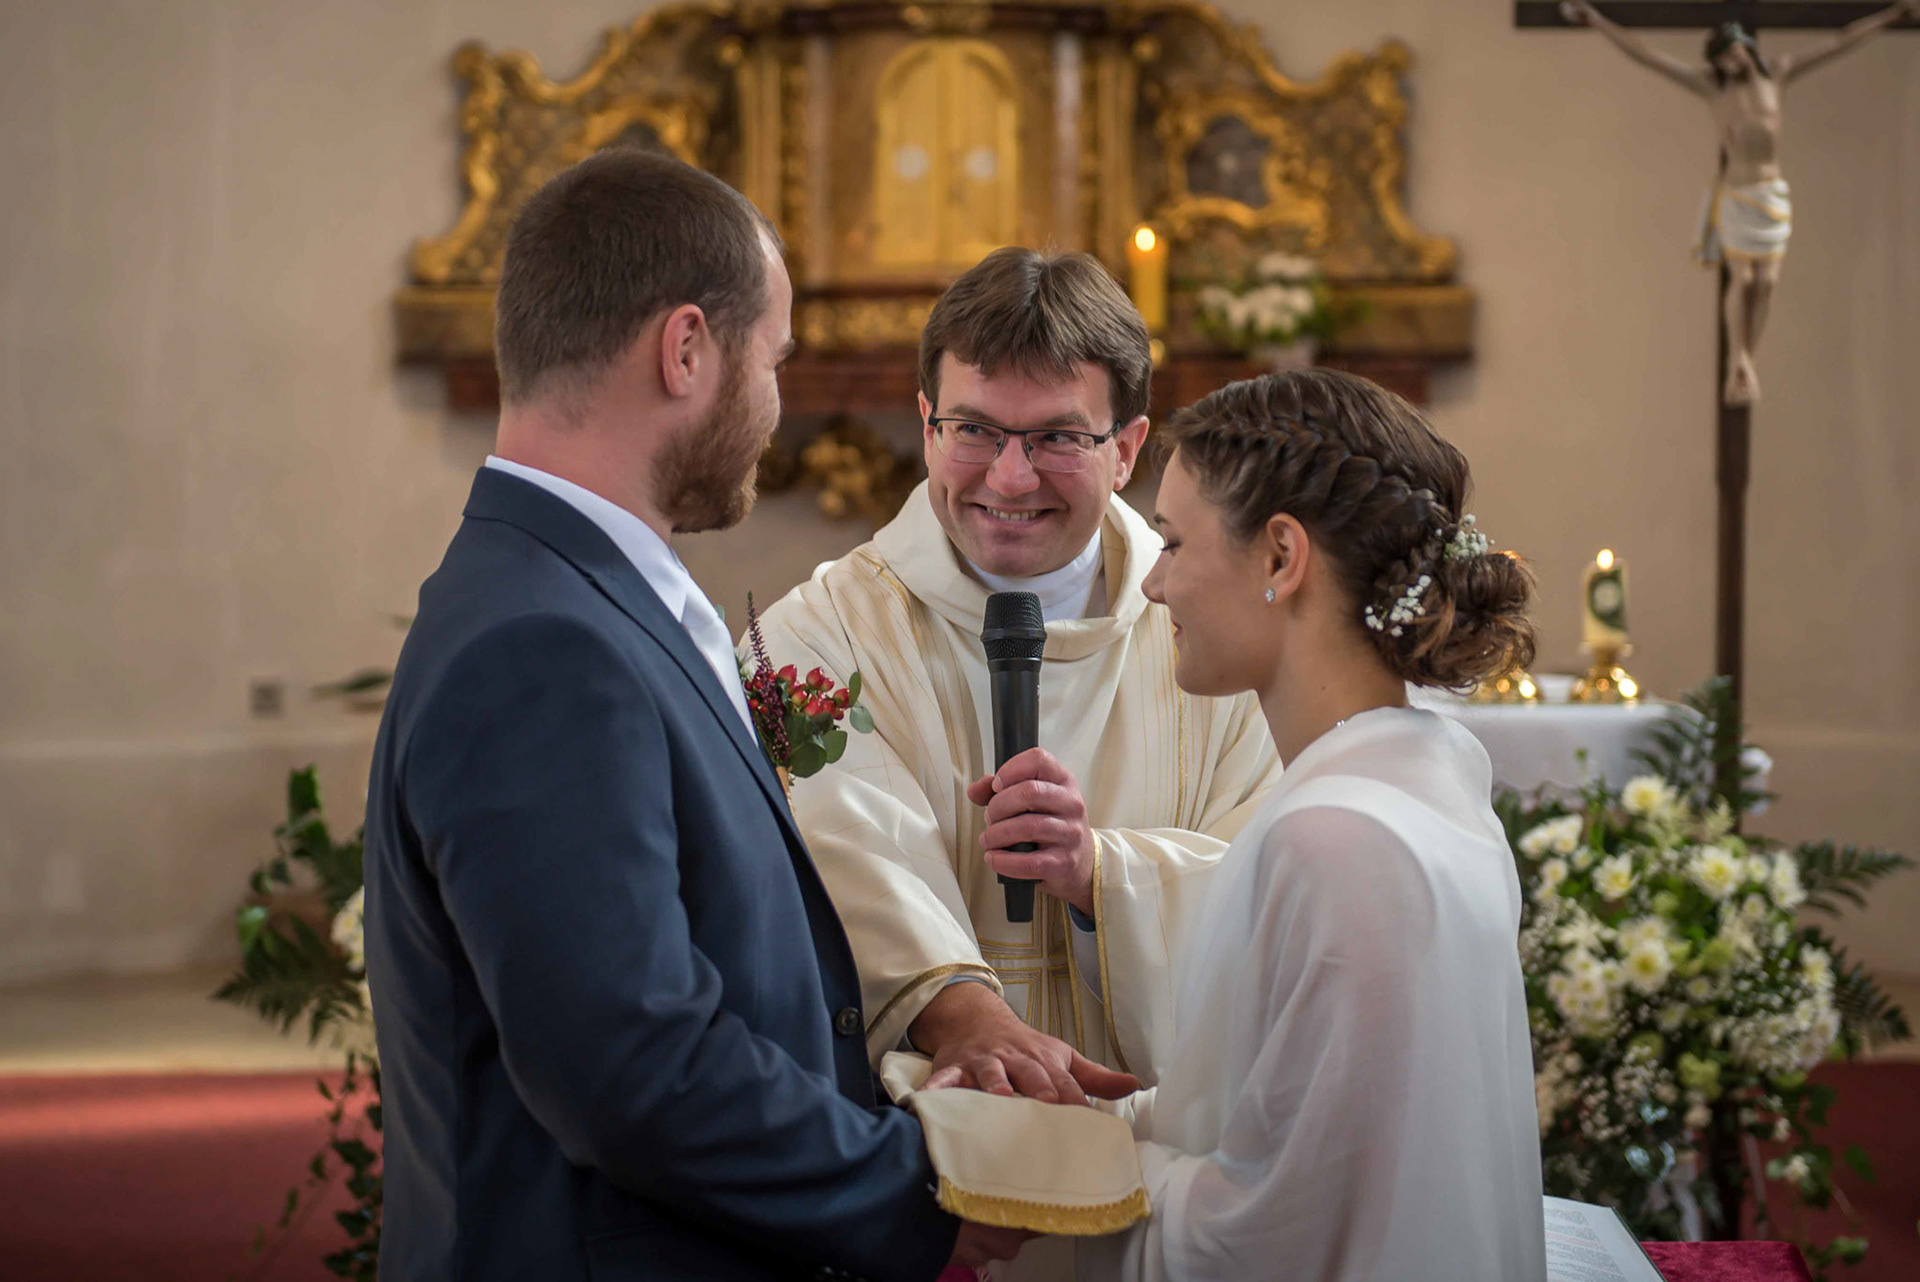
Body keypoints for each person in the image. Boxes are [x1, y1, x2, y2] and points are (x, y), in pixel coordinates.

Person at [361, 149, 1023, 1281]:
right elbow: (626, 1060)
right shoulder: (544, 644)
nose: (776, 403)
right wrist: (909, 1187)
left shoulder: (570, 594)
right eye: (772, 358)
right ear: (685, 350)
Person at [751, 248, 1283, 1115]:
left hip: (1168, 1141)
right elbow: (837, 858)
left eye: (1058, 438)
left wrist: (1100, 875)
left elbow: (1276, 879)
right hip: (927, 1143)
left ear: (1127, 449)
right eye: (974, 430)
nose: (1010, 476)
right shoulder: (814, 638)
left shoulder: (1226, 635)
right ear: (926, 424)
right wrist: (965, 1018)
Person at [1079, 369, 1546, 1280]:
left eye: (1173, 542)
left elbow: (1272, 1238)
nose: (1155, 586)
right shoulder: (1426, 775)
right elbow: (1291, 1126)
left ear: (1281, 557)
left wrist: (1068, 1169)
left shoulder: (1342, 842)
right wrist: (1084, 1123)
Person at [1561, 0, 1919, 405]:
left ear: (1746, 45)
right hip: (1737, 192)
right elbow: (1646, 55)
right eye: (1723, 61)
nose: (1731, 64)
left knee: (1768, 283)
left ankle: (1749, 359)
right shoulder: (1713, 87)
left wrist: (1889, 17)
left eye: (1733, 53)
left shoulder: (1778, 72)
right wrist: (1597, 20)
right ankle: (1738, 360)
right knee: (1744, 280)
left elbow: (1838, 42)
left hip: (1770, 194)